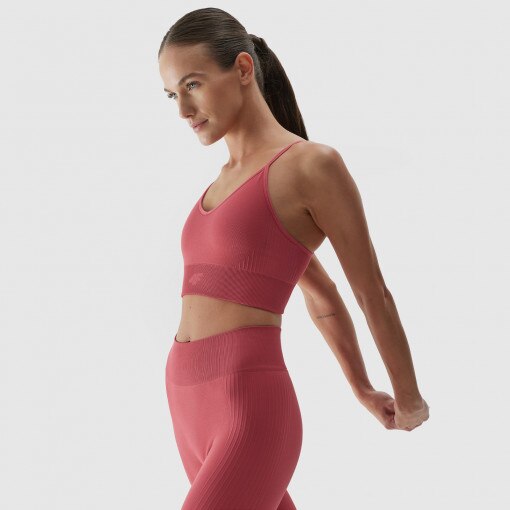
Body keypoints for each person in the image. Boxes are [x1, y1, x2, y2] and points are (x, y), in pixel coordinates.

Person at [159, 7, 429, 510]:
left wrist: (405, 395)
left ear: (243, 69)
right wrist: (361, 385)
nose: (183, 110)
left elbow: (371, 291)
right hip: (187, 403)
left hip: (248, 407)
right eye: (173, 94)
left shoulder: (309, 165)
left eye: (192, 84)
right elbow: (321, 295)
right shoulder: (221, 183)